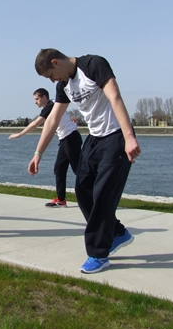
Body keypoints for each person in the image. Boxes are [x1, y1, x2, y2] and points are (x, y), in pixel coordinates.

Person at [28, 49, 141, 274]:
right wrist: (38, 153)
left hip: (116, 136)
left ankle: (98, 254)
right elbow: (53, 120)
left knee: (102, 195)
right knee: (82, 190)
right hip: (94, 138)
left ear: (56, 62)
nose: (52, 81)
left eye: (51, 75)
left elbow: (115, 97)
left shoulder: (93, 65)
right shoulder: (64, 86)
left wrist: (129, 137)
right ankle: (117, 232)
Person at [8, 88, 82, 207]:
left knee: (79, 170)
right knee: (59, 169)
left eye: (37, 99)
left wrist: (20, 134)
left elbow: (35, 124)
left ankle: (95, 196)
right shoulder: (52, 104)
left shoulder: (51, 105)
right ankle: (61, 200)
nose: (35, 102)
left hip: (70, 138)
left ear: (44, 97)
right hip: (65, 139)